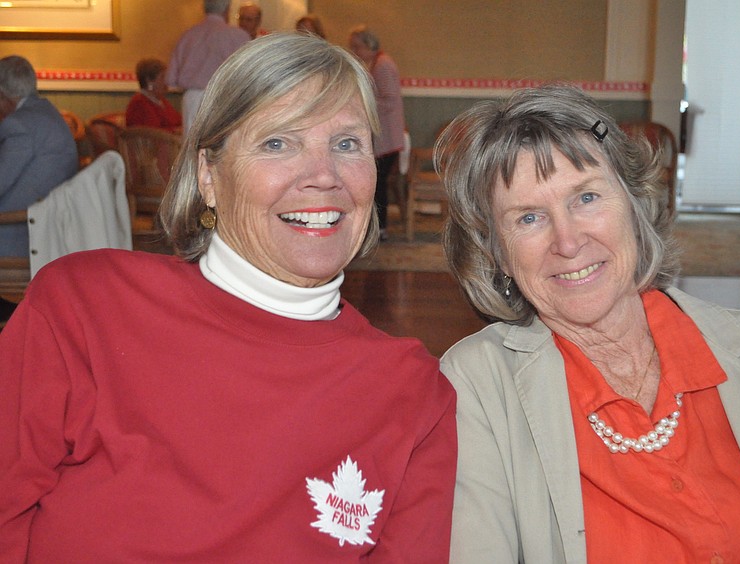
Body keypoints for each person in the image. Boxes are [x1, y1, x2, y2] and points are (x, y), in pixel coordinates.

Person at [0, 33, 457, 561]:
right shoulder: (83, 306)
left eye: (347, 143)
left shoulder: (415, 394)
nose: (324, 176)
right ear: (209, 176)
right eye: (278, 143)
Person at [436, 83, 740, 563]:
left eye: (586, 197)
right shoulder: (478, 386)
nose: (568, 241)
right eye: (529, 218)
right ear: (497, 253)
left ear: (636, 206)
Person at [0, 55, 78, 259]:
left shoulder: (19, 125)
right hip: (49, 226)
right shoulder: (46, 111)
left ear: (3, 94)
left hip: (16, 233)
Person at [349, 25, 405, 240]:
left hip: (387, 136)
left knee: (378, 182)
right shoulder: (377, 63)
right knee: (377, 181)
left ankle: (381, 228)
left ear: (369, 45)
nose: (354, 51)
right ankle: (379, 227)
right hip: (385, 134)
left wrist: (364, 105)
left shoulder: (383, 65)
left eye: (357, 46)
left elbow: (389, 100)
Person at [166, 0, 249, 138]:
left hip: (192, 99)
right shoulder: (238, 36)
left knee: (192, 149)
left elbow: (170, 79)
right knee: (222, 148)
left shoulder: (188, 35)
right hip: (225, 99)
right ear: (227, 10)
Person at [125, 57, 182, 133]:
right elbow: (150, 134)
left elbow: (179, 121)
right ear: (149, 80)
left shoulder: (161, 101)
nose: (167, 82)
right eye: (162, 77)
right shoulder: (139, 103)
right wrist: (176, 131)